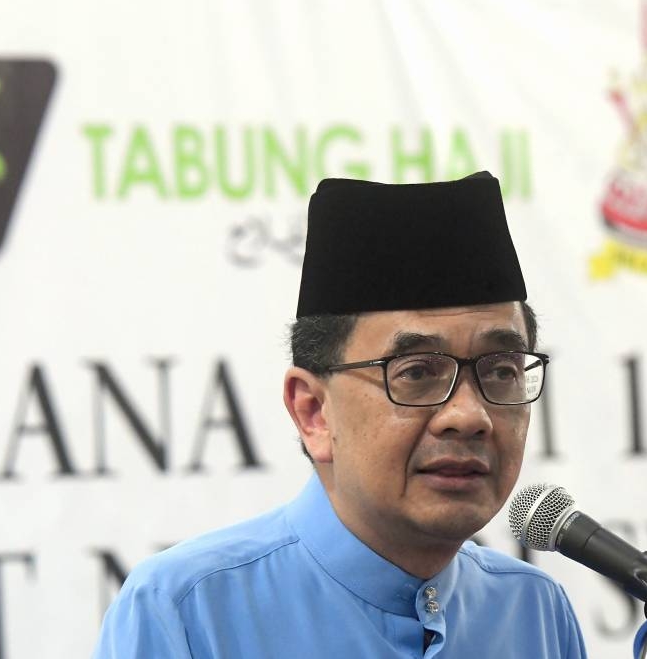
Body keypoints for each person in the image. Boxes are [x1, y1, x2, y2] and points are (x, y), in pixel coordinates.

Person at [93, 172, 587, 658]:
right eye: (416, 372)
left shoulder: (534, 611)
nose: (469, 415)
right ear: (313, 412)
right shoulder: (187, 611)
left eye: (500, 371)